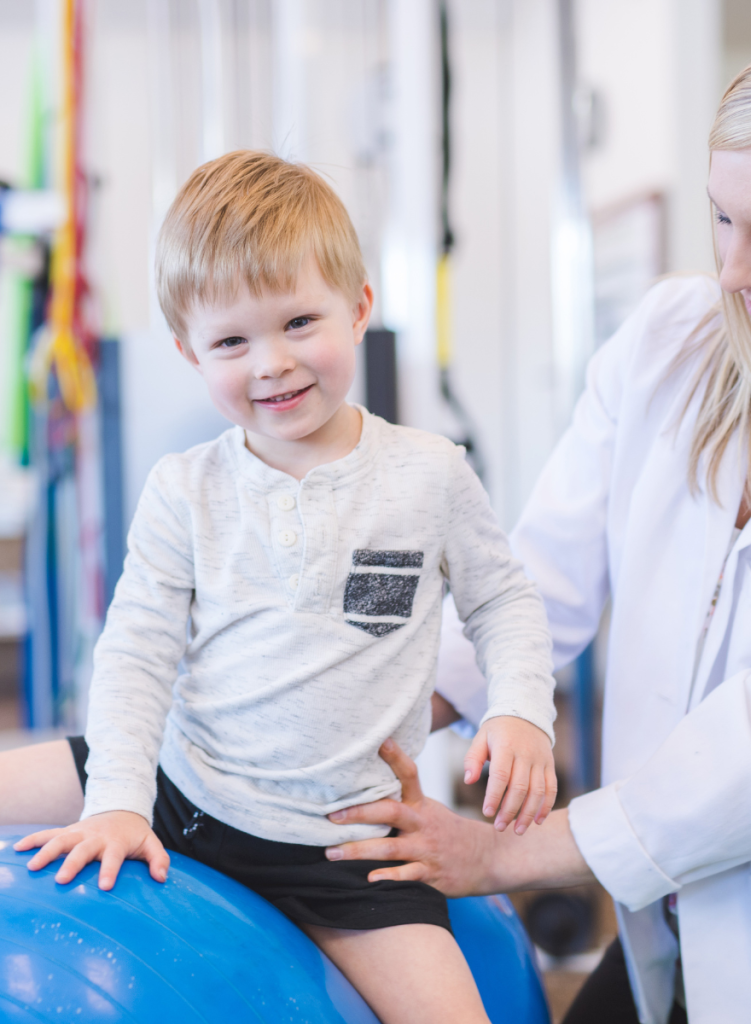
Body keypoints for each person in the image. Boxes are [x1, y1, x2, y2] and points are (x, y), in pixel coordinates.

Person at [324, 18, 751, 1024]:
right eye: (721, 219)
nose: (737, 271)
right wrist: (366, 713)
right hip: (681, 920)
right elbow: (540, 582)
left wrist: (502, 853)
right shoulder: (673, 341)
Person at [0, 151, 560, 1024]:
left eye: (300, 321)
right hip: (183, 789)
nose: (272, 364)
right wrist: (116, 801)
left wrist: (520, 709)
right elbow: (136, 656)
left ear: (360, 307)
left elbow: (503, 603)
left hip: (346, 851)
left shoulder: (428, 475)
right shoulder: (184, 489)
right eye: (232, 341)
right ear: (189, 352)